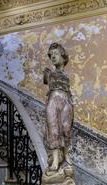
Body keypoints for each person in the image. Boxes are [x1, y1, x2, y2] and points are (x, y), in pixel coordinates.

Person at [43, 42, 74, 171]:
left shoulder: (66, 76)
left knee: (66, 129)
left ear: (63, 56)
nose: (53, 57)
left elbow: (69, 93)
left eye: (56, 54)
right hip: (53, 100)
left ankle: (66, 154)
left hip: (66, 100)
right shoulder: (48, 73)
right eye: (51, 55)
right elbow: (46, 81)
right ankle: (55, 160)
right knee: (53, 129)